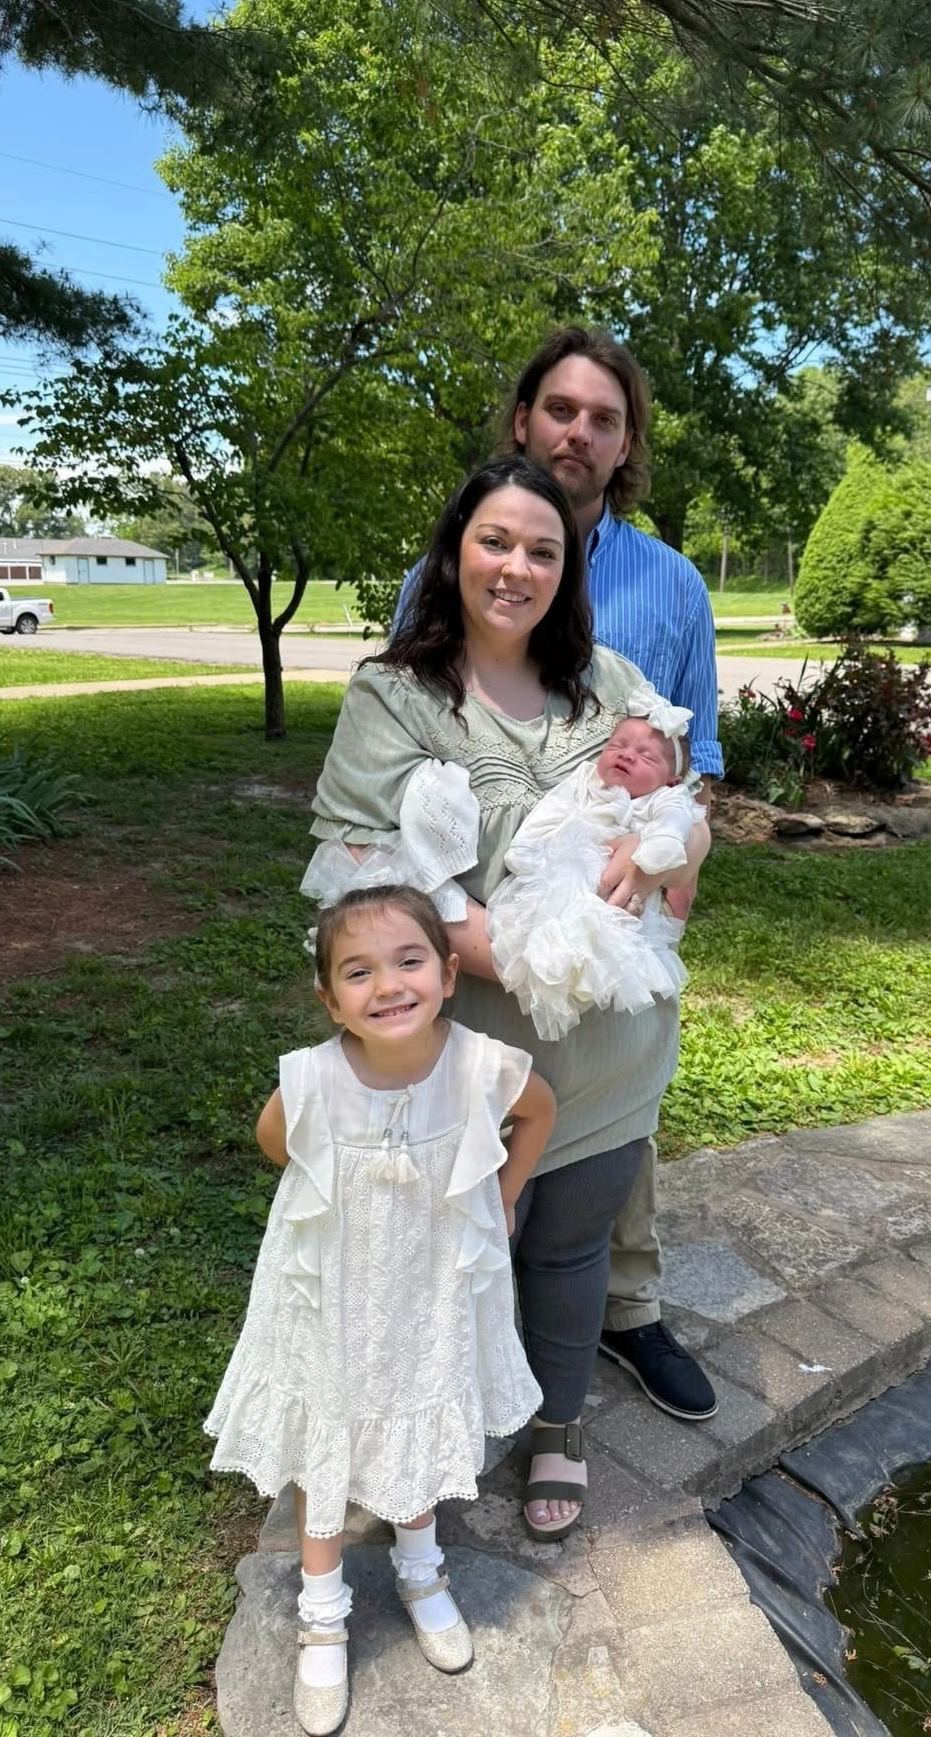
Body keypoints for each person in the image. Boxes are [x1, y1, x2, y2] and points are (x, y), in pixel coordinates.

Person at [314, 456, 712, 1540]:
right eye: (496, 541)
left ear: (568, 569)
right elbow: (361, 875)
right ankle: (438, 1428)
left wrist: (678, 848)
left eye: (544, 549)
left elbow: (686, 806)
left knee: (571, 1253)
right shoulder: (395, 696)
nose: (517, 567)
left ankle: (558, 1426)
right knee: (455, 1255)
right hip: (469, 1063)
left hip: (613, 1056)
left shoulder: (614, 684)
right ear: (455, 552)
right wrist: (530, 956)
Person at [397, 325, 721, 1422]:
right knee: (484, 1155)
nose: (580, 433)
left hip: (620, 912)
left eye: (605, 419)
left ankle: (627, 1310)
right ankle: (467, 1359)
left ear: (627, 445)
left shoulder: (672, 587)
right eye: (561, 410)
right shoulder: (450, 568)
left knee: (614, 1131)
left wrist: (676, 853)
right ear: (524, 421)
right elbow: (411, 744)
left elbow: (700, 767)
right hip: (485, 931)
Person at [204, 884, 556, 1735]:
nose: (388, 985)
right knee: (326, 1424)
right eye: (358, 972)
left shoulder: (481, 1065)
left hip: (430, 1284)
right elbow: (276, 1142)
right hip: (332, 1285)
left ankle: (421, 1568)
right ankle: (322, 1611)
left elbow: (539, 1112)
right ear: (330, 1000)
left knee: (417, 1407)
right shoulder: (313, 1076)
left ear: (447, 974)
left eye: (408, 961)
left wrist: (505, 1195)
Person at [486, 688, 705, 1039]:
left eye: (647, 757)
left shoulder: (665, 798)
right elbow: (551, 811)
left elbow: (675, 822)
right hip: (563, 872)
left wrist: (658, 845)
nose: (627, 755)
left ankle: (592, 984)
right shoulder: (586, 779)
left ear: (672, 780)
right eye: (617, 746)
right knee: (547, 927)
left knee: (615, 946)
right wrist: (528, 850)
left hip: (625, 896)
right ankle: (556, 966)